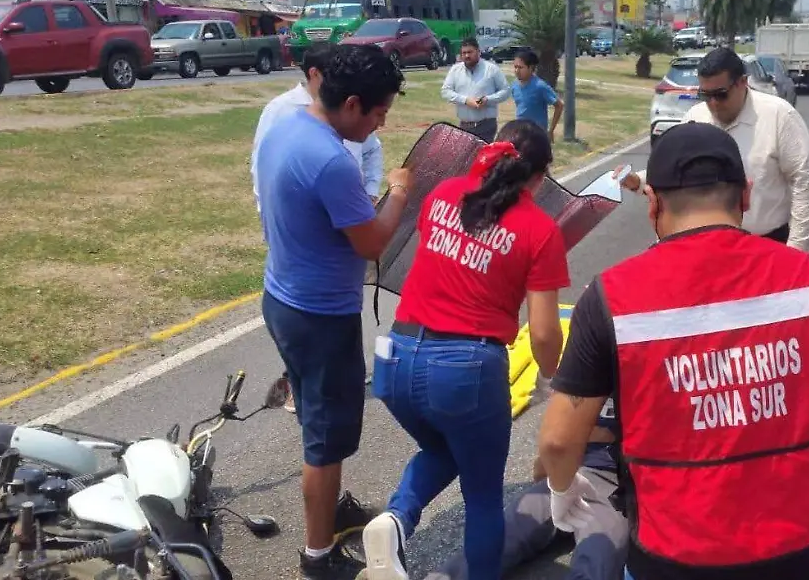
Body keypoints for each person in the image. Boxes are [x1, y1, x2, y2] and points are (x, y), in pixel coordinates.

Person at [536, 121, 809, 580]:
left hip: (670, 560)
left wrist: (560, 490)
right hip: (799, 557)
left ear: (652, 202)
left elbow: (558, 438)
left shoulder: (611, 298)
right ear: (747, 195)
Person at [363, 120, 570, 580]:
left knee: (448, 451)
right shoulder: (539, 229)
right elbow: (541, 332)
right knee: (481, 497)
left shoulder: (444, 194)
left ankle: (396, 520)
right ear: (539, 177)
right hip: (464, 371)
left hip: (395, 358)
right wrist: (554, 378)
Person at [255, 44, 413, 579]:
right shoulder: (330, 160)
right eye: (379, 113)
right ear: (351, 104)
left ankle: (332, 509)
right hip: (320, 318)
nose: (381, 122)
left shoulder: (287, 124)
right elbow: (371, 243)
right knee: (324, 441)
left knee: (320, 424)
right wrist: (398, 193)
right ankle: (318, 556)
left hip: (283, 297)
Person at [620, 47, 809, 251]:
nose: (714, 104)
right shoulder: (695, 117)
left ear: (742, 83)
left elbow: (806, 183)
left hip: (766, 245)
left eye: (721, 94)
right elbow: (678, 172)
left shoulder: (779, 116)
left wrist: (795, 250)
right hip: (708, 248)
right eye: (706, 95)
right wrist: (637, 182)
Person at [424, 399, 628, 580]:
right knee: (596, 558)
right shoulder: (591, 360)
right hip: (581, 468)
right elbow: (557, 436)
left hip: (607, 476)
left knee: (596, 557)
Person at [252, 43, 385, 208]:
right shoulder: (281, 109)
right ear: (314, 74)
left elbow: (371, 149)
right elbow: (262, 164)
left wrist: (370, 192)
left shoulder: (350, 109)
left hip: (350, 207)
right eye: (334, 75)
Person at [441, 37, 512, 141]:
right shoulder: (455, 70)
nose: (466, 56)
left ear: (478, 52)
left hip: (486, 126)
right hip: (464, 126)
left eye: (470, 52)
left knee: (484, 156)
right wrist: (465, 100)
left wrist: (487, 100)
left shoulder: (491, 69)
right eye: (463, 53)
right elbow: (445, 92)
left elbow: (506, 91)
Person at [510, 49, 564, 142]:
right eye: (515, 67)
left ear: (531, 68)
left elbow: (559, 105)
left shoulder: (540, 86)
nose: (517, 71)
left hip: (537, 135)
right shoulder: (514, 85)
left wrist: (551, 131)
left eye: (520, 67)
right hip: (521, 133)